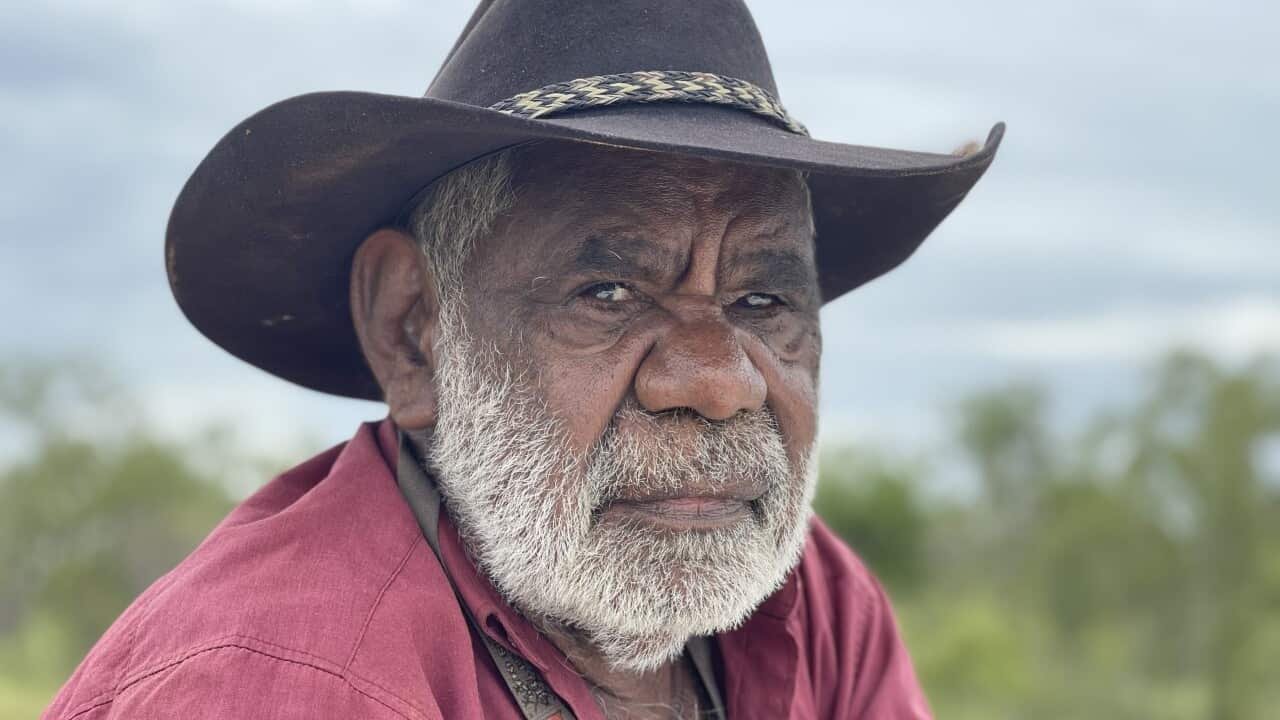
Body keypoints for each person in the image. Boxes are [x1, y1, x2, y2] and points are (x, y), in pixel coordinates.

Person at [44, 1, 1001, 718]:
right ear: (414, 329)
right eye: (609, 294)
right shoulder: (280, 683)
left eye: (762, 301)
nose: (717, 383)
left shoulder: (811, 608)